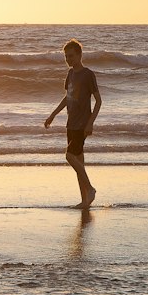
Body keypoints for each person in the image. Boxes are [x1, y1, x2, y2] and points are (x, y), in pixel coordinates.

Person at [44, 38, 101, 207]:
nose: (68, 59)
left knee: (69, 156)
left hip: (82, 124)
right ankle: (85, 200)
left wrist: (90, 123)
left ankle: (90, 189)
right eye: (66, 57)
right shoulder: (70, 74)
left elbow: (98, 101)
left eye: (71, 56)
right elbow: (67, 98)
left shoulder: (88, 74)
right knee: (79, 163)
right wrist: (53, 115)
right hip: (71, 123)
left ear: (80, 55)